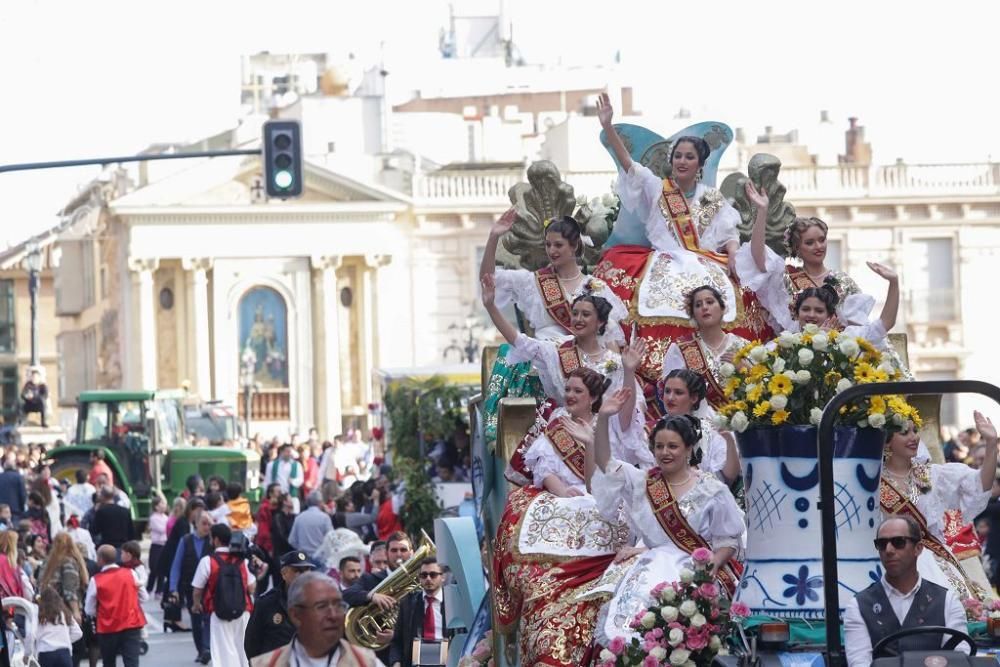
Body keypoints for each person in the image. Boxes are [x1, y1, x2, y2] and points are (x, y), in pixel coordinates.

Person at [589, 393, 745, 646]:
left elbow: (727, 540)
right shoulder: (642, 482)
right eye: (659, 447)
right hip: (649, 563)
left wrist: (712, 565)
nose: (665, 452)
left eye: (672, 446)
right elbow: (605, 461)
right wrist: (605, 418)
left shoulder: (711, 489)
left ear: (688, 449)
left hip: (692, 566)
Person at [478, 208, 628, 448]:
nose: (552, 251)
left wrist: (617, 370)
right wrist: (494, 236)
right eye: (548, 245)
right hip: (546, 357)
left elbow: (610, 338)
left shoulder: (596, 288)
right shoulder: (534, 283)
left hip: (587, 359)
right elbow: (487, 278)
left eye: (558, 245)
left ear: (574, 246)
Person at [880, 411, 998, 602]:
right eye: (904, 432)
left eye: (915, 430)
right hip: (888, 562)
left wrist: (992, 444)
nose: (914, 437)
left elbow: (979, 486)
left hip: (934, 563)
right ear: (886, 442)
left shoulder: (930, 475)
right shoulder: (872, 481)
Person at [482, 273, 629, 405]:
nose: (578, 319)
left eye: (585, 314)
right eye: (575, 313)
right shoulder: (557, 349)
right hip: (567, 427)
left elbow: (626, 403)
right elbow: (520, 342)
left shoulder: (613, 361)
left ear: (600, 321)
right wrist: (491, 307)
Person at [739, 188, 874, 331]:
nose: (818, 246)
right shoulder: (787, 279)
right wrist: (762, 211)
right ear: (797, 248)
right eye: (809, 243)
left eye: (822, 240)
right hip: (795, 350)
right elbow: (759, 258)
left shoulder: (842, 280)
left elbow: (859, 326)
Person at [844, 516, 969, 666]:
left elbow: (961, 659)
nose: (889, 550)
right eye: (882, 544)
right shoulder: (859, 605)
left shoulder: (947, 601)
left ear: (918, 548)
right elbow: (859, 663)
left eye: (898, 542)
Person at [251, 572, 383, 667]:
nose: (333, 615)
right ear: (296, 615)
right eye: (321, 607)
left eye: (339, 605)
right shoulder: (266, 664)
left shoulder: (367, 662)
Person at [660, 285, 750, 412]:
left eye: (710, 302)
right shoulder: (680, 349)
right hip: (700, 425)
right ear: (693, 315)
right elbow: (672, 397)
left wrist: (745, 370)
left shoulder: (743, 346)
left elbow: (764, 389)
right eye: (698, 305)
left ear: (722, 308)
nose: (704, 307)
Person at [660, 369, 741, 485]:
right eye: (667, 391)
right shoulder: (654, 430)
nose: (670, 397)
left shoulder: (708, 431)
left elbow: (730, 475)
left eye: (678, 392)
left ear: (694, 398)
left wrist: (730, 442)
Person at [192, 523, 256, 667]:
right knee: (243, 650)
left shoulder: (208, 561)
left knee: (223, 652)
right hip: (243, 610)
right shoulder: (242, 560)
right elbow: (251, 588)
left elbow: (197, 589)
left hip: (218, 610)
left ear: (215, 540)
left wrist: (196, 604)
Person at [244, 550, 315, 660]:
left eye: (307, 570)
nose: (303, 576)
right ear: (284, 574)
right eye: (298, 571)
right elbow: (252, 643)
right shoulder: (267, 603)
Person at [84, 544, 146, 667]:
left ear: (100, 559)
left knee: (109, 662)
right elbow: (144, 596)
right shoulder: (130, 573)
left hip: (108, 627)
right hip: (131, 623)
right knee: (132, 662)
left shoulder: (96, 580)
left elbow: (89, 609)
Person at [170, 509, 215, 663]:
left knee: (209, 618)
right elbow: (176, 565)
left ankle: (207, 648)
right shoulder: (186, 540)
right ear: (195, 524)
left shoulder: (213, 541)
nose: (207, 527)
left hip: (211, 588)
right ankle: (201, 650)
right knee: (196, 620)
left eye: (210, 524)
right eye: (204, 523)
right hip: (191, 587)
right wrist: (173, 588)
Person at [388, 558, 450, 667]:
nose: (428, 579)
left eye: (433, 575)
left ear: (443, 577)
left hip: (447, 662)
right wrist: (396, 663)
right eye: (424, 575)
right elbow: (397, 641)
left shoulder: (452, 602)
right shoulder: (408, 603)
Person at [343, 532, 412, 609]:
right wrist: (372, 595)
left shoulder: (421, 577)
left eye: (403, 550)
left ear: (411, 553)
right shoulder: (370, 579)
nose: (399, 554)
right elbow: (347, 594)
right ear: (386, 553)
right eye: (394, 550)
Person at [37, 532, 89, 623]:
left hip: (46, 607)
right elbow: (69, 589)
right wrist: (76, 611)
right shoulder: (69, 561)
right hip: (64, 609)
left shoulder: (47, 562)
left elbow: (39, 583)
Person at [36, 586, 83, 667]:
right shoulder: (65, 613)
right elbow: (78, 633)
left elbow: (34, 634)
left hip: (46, 652)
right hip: (64, 652)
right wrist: (65, 639)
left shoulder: (39, 615)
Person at [288, 492, 334, 564]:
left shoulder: (299, 517)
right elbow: (331, 539)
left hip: (303, 557)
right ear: (320, 502)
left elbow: (291, 540)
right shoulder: (325, 518)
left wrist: (300, 548)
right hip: (320, 558)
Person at [266, 445, 305, 512]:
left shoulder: (297, 465)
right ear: (281, 452)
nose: (289, 454)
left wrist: (293, 481)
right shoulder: (271, 465)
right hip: (277, 497)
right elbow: (267, 481)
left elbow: (301, 479)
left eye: (290, 452)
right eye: (287, 452)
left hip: (291, 496)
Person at [147, 495, 168, 594]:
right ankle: (149, 588)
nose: (164, 505)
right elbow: (162, 529)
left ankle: (159, 590)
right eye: (162, 504)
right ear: (156, 506)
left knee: (162, 569)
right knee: (154, 568)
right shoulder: (154, 518)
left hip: (164, 544)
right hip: (156, 545)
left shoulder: (166, 517)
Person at [0, 452, 26, 519]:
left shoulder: (1, 476)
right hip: (15, 509)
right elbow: (22, 494)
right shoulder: (18, 477)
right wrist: (22, 508)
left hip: (2, 509)